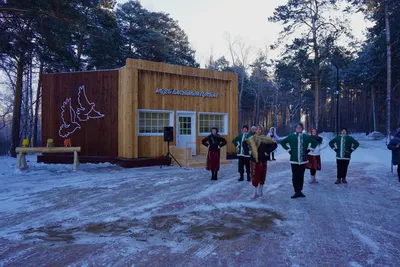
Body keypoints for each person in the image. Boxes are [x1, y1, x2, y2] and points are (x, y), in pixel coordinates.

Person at [280, 123, 318, 199]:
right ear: (295, 128)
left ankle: (300, 191)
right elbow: (282, 142)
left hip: (303, 160)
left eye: (300, 127)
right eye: (297, 127)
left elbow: (315, 142)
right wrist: (289, 150)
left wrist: (309, 150)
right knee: (295, 176)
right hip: (294, 160)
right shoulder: (291, 137)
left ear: (302, 128)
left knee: (301, 176)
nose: (298, 128)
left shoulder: (306, 136)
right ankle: (296, 191)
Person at [243, 125, 277, 198]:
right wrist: (248, 151)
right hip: (254, 160)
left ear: (262, 130)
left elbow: (274, 144)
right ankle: (254, 192)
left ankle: (260, 190)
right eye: (257, 129)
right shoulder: (251, 138)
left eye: (260, 129)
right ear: (255, 131)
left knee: (262, 174)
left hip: (263, 159)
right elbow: (244, 143)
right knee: (255, 175)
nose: (258, 130)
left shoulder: (265, 138)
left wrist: (267, 151)